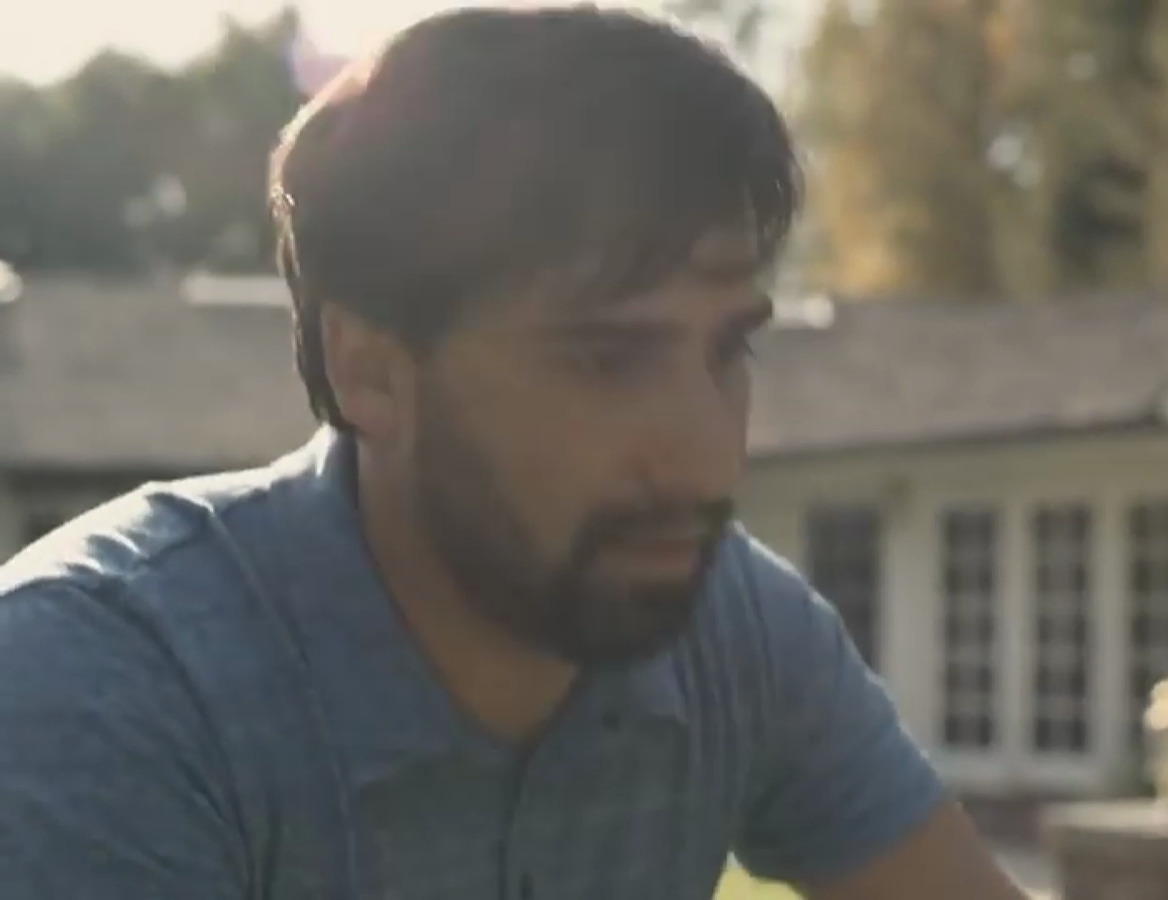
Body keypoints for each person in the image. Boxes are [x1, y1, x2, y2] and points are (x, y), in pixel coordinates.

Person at [0, 7, 1031, 899]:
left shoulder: (734, 633)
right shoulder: (99, 688)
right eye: (603, 358)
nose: (703, 454)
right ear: (374, 371)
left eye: (727, 348)